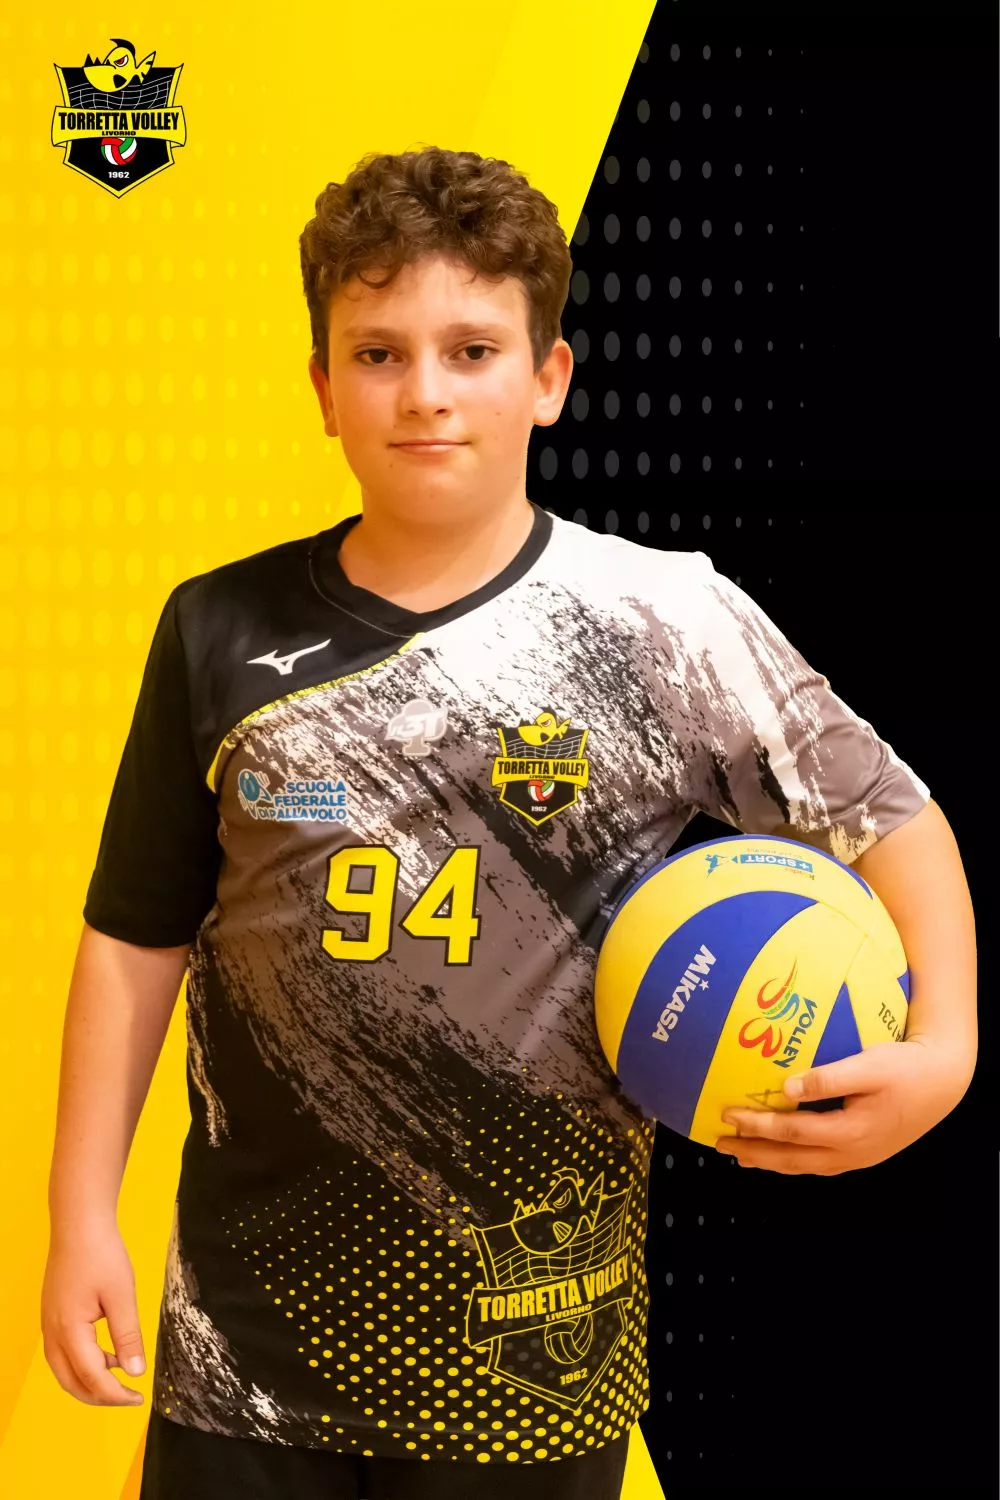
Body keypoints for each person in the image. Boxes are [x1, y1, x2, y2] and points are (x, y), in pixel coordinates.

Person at [40, 146, 977, 1500]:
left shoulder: (664, 618)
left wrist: (945, 1049)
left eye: (472, 350)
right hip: (247, 1349)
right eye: (377, 354)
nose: (424, 391)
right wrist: (80, 1214)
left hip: (537, 1355)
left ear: (548, 378)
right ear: (323, 390)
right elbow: (135, 937)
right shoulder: (218, 626)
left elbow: (890, 816)